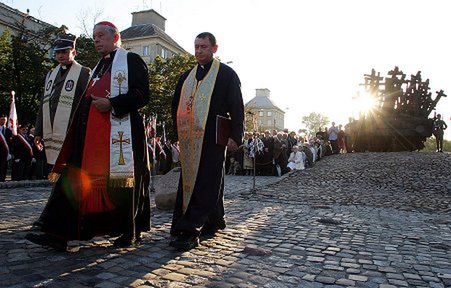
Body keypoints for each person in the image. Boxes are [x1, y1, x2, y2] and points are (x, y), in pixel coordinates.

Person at [26, 21, 151, 250]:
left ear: (116, 37)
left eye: (101, 35)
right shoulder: (99, 66)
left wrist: (112, 103)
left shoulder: (131, 60)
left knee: (121, 185)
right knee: (73, 179)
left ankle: (128, 231)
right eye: (94, 36)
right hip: (89, 136)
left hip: (119, 137)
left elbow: (143, 94)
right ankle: (57, 232)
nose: (96, 40)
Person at [170, 32, 244, 251]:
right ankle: (213, 219)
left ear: (214, 48)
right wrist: (177, 133)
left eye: (203, 46)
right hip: (189, 139)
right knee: (193, 181)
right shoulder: (186, 77)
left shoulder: (226, 74)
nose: (199, 51)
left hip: (213, 138)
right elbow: (176, 108)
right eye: (196, 47)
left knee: (207, 180)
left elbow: (237, 107)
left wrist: (235, 136)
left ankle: (191, 229)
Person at [35, 34, 91, 169]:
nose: (60, 55)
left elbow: (87, 105)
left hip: (73, 130)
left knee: (71, 169)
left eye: (65, 52)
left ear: (74, 52)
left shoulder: (84, 73)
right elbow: (44, 104)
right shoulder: (50, 74)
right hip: (52, 129)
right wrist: (38, 132)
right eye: (57, 52)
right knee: (55, 169)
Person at [0, 115, 12, 182]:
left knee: (3, 167)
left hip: (5, 152)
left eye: (4, 120)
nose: (3, 121)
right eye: (2, 119)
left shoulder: (8, 131)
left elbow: (10, 142)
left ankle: (2, 180)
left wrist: (10, 152)